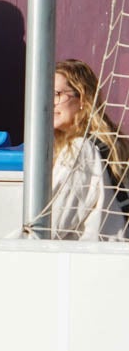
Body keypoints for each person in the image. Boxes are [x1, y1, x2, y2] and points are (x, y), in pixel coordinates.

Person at [45, 60, 128, 241]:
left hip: (90, 261)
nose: (49, 103)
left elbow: (50, 224)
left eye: (56, 94)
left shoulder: (80, 150)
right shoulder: (110, 142)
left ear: (82, 98)